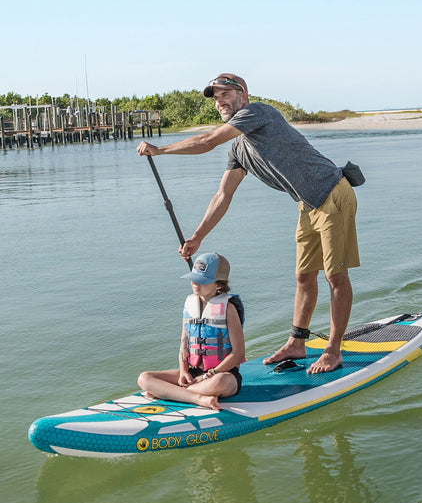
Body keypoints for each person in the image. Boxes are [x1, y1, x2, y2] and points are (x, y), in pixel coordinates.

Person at [137, 73, 360, 374]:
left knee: (335, 277)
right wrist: (197, 237)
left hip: (333, 193)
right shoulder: (239, 150)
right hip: (307, 205)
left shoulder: (259, 112)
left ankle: (333, 351)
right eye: (216, 98)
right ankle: (297, 342)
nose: (220, 101)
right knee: (304, 277)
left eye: (226, 94)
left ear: (243, 95)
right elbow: (223, 195)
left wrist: (160, 150)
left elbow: (206, 141)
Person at [138, 252, 245, 410]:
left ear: (219, 284)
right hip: (194, 375)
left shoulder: (228, 309)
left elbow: (238, 354)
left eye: (202, 281)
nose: (195, 283)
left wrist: (209, 375)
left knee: (221, 383)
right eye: (194, 278)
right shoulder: (189, 305)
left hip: (221, 374)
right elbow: (184, 344)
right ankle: (199, 398)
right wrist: (183, 371)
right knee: (145, 378)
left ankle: (172, 393)